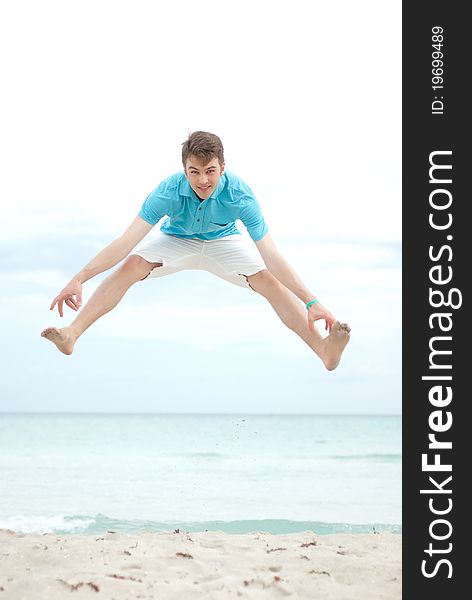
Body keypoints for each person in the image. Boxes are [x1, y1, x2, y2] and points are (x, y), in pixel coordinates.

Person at [41, 131, 350, 370]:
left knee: (269, 279)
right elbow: (125, 242)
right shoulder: (167, 191)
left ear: (223, 167)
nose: (203, 181)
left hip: (222, 241)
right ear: (184, 169)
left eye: (211, 171)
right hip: (177, 239)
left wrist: (311, 301)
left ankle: (323, 350)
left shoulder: (240, 195)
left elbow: (271, 253)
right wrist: (79, 277)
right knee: (132, 264)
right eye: (194, 172)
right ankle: (72, 334)